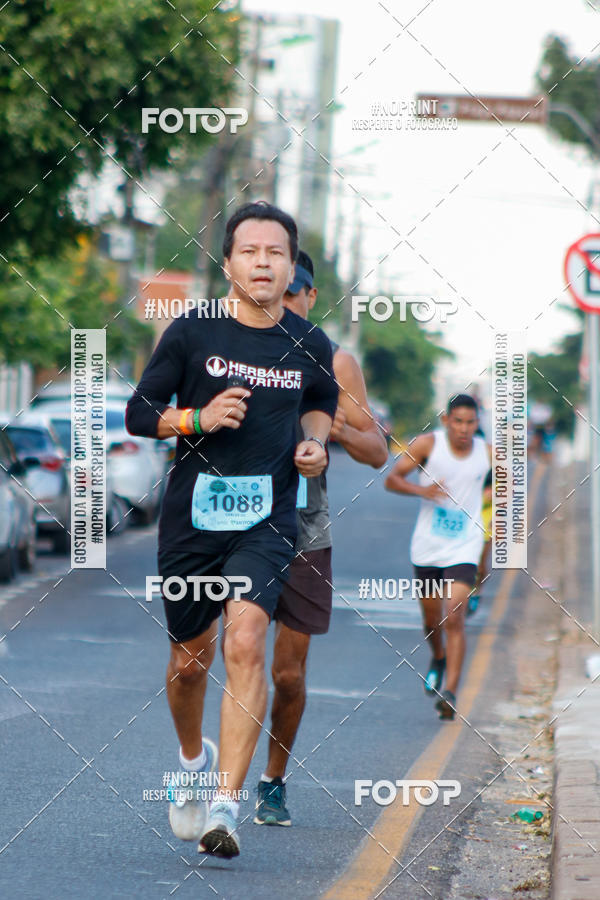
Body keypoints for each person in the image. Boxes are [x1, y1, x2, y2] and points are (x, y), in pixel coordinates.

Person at [125, 202, 338, 858]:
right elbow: (140, 413)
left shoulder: (310, 343)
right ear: (230, 263)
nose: (264, 263)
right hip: (192, 522)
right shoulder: (192, 333)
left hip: (266, 520)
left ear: (290, 264)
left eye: (275, 253)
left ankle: (225, 804)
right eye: (251, 252)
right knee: (191, 662)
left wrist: (315, 444)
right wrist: (197, 418)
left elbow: (321, 402)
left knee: (246, 640)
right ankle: (193, 765)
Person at [253, 251, 388, 826]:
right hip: (242, 519)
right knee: (223, 655)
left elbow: (377, 449)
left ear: (310, 297)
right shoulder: (237, 347)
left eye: (297, 292)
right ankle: (211, 775)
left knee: (288, 672)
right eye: (279, 291)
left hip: (306, 523)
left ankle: (273, 780)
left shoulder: (335, 360)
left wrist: (322, 418)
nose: (288, 302)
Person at [384, 394, 491, 720]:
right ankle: (439, 656)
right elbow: (392, 479)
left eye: (470, 422)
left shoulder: (487, 454)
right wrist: (422, 490)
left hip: (465, 543)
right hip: (428, 545)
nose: (463, 428)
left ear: (477, 423)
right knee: (432, 621)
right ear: (446, 420)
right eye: (457, 421)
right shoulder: (426, 445)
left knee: (453, 615)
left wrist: (496, 508)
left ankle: (451, 692)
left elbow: (508, 486)